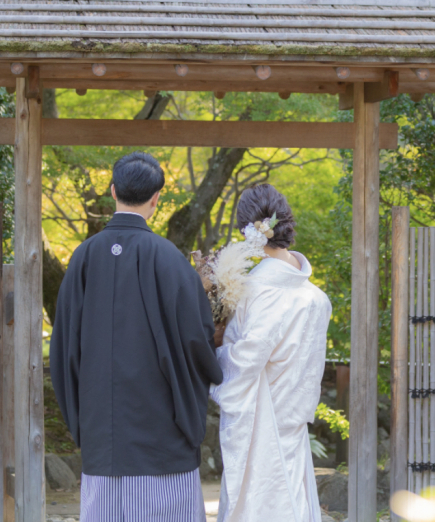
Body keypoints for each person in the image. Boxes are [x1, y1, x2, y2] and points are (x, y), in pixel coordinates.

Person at [50, 151, 223, 522]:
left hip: (102, 434)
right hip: (161, 431)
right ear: (156, 198)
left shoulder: (83, 258)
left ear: (113, 191)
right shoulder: (170, 259)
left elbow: (63, 348)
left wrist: (83, 421)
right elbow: (197, 340)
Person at [211, 184, 332, 522]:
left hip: (257, 422)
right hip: (291, 422)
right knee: (292, 498)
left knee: (255, 504)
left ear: (246, 230)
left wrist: (215, 348)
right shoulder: (317, 299)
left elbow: (244, 362)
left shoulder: (254, 290)